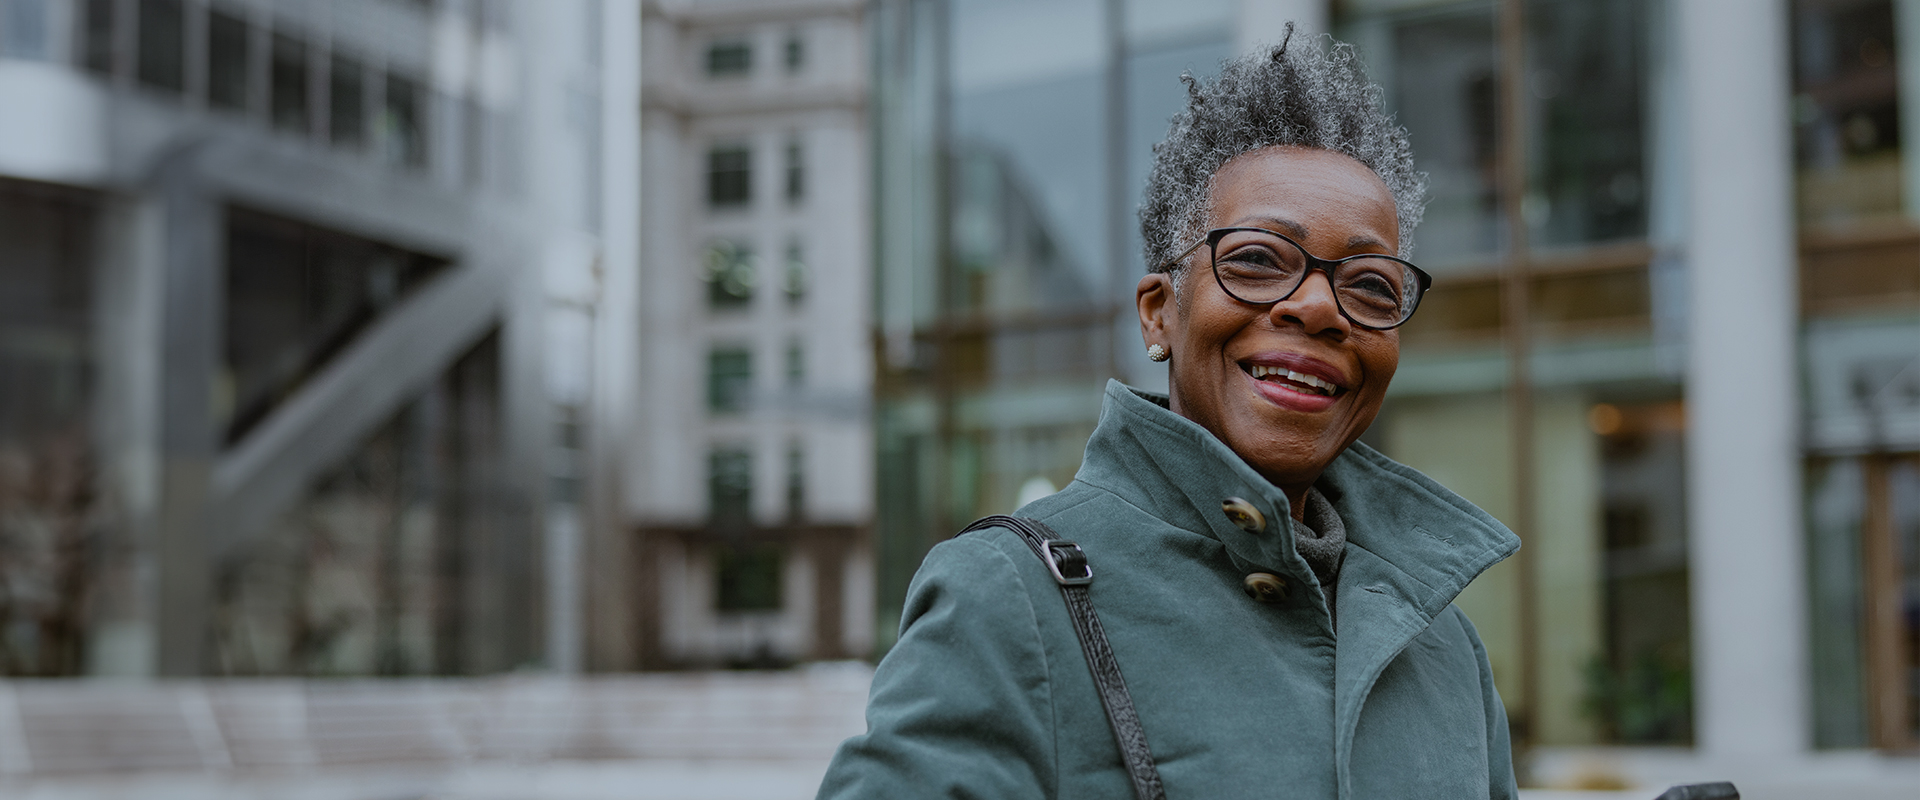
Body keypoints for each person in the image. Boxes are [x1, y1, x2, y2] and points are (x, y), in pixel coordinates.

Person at [819, 30, 1519, 799]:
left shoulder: (1443, 646)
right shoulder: (1007, 595)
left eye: (1373, 288)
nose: (1320, 306)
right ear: (1159, 314)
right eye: (1256, 259)